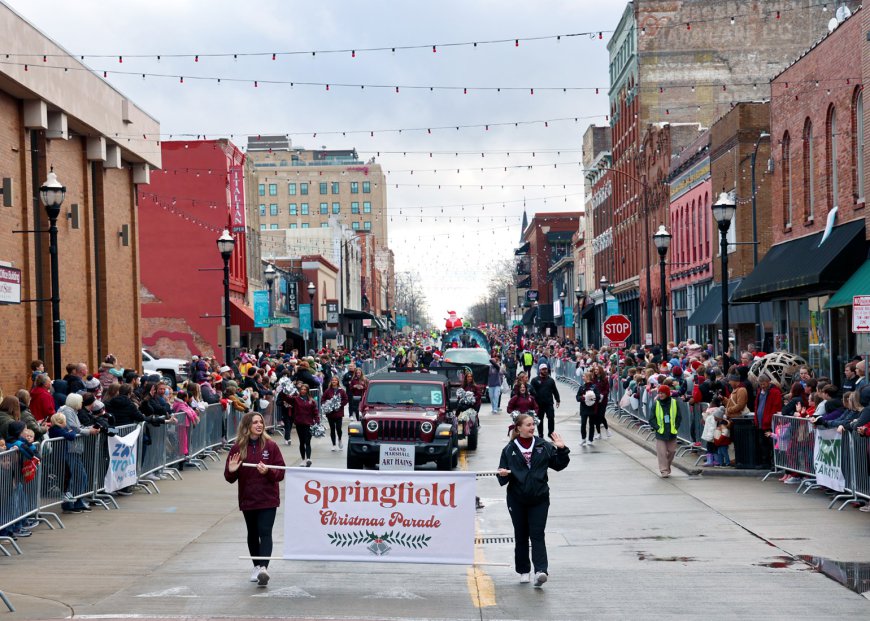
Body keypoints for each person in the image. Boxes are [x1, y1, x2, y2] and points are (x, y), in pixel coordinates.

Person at [497, 414, 570, 588]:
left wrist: (561, 449)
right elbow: (502, 475)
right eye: (528, 425)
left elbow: (559, 465)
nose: (532, 427)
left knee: (537, 534)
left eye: (533, 424)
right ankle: (524, 570)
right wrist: (502, 474)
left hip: (539, 498)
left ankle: (541, 571)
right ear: (518, 428)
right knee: (521, 534)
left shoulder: (542, 445)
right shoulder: (509, 449)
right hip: (517, 499)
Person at [224, 412, 286, 587]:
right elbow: (229, 477)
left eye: (261, 422)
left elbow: (281, 472)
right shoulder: (237, 448)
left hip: (268, 498)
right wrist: (232, 469)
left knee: (265, 532)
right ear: (247, 426)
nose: (259, 425)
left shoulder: (271, 446)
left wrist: (268, 472)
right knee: (252, 533)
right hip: (248, 498)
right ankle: (256, 566)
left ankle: (264, 569)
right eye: (255, 422)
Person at [648, 384, 681, 477]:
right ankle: (664, 470)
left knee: (672, 451)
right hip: (661, 432)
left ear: (667, 393)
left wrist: (676, 426)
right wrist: (657, 428)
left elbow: (679, 416)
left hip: (672, 432)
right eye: (659, 393)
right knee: (662, 453)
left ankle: (667, 466)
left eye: (662, 393)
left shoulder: (674, 402)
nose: (660, 395)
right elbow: (651, 419)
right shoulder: (656, 404)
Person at [290, 383, 319, 466]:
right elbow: (287, 398)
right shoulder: (296, 399)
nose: (303, 391)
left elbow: (315, 412)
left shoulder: (311, 400)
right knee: (301, 442)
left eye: (304, 389)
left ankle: (308, 459)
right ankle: (303, 459)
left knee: (307, 441)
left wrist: (317, 420)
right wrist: (283, 390)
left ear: (307, 391)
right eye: (301, 389)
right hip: (299, 423)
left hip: (309, 423)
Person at [530, 364, 560, 438]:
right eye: (543, 369)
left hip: (549, 403)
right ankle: (540, 434)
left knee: (551, 418)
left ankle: (551, 433)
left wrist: (557, 400)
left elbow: (555, 391)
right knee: (540, 419)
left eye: (546, 369)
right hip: (539, 404)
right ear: (540, 370)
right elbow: (531, 392)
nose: (545, 371)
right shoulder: (534, 380)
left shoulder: (551, 380)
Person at [322, 376, 348, 451]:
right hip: (330, 413)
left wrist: (339, 404)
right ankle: (333, 444)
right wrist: (327, 404)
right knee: (332, 428)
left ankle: (339, 439)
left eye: (335, 380)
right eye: (332, 380)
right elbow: (323, 399)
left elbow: (345, 399)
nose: (334, 381)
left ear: (337, 381)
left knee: (339, 428)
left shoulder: (341, 391)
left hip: (338, 412)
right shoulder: (327, 390)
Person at [576, 372, 599, 447]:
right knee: (583, 424)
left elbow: (598, 397)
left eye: (584, 376)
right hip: (584, 409)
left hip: (592, 408)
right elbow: (577, 397)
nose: (583, 377)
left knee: (591, 424)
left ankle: (590, 439)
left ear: (588, 377)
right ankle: (583, 438)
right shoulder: (582, 387)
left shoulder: (594, 387)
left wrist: (592, 397)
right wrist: (582, 398)